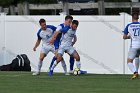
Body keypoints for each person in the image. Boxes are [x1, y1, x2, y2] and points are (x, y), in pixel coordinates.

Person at [123, 12, 140, 80]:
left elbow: (124, 37)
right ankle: (137, 72)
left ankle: (135, 72)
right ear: (138, 18)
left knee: (129, 62)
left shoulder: (129, 25)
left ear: (132, 18)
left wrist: (130, 37)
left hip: (134, 45)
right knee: (137, 56)